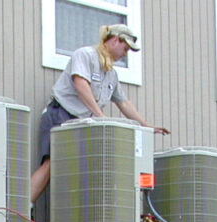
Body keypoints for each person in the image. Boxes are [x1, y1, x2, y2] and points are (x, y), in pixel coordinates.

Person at [29, 24, 169, 203]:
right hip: (61, 114)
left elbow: (123, 102)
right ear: (115, 40)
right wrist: (100, 116)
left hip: (83, 124)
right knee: (51, 164)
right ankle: (21, 210)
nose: (125, 54)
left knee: (81, 171)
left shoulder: (111, 74)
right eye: (125, 48)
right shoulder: (85, 55)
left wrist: (146, 126)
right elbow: (80, 84)